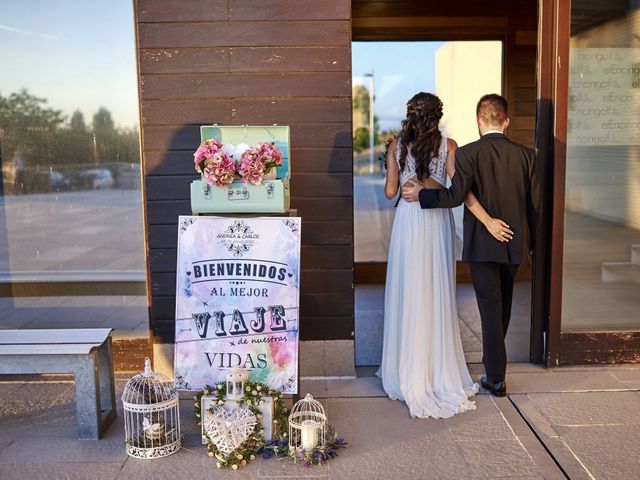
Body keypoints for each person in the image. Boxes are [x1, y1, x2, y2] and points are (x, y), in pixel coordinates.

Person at [377, 92, 513, 418]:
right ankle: (436, 371)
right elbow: (460, 190)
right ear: (437, 116)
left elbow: (391, 192)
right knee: (435, 292)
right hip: (435, 221)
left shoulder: (396, 146)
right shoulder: (448, 146)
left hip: (409, 224)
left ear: (410, 115)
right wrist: (487, 219)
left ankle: (406, 369)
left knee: (410, 291)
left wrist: (391, 164)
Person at [402, 93, 540, 397]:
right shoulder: (527, 155)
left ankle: (496, 378)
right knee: (501, 307)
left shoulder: (469, 153)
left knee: (490, 309)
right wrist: (532, 246)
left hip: (482, 245)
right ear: (506, 121)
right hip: (514, 243)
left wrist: (421, 196)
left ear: (479, 121)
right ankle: (495, 365)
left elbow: (454, 197)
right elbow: (535, 207)